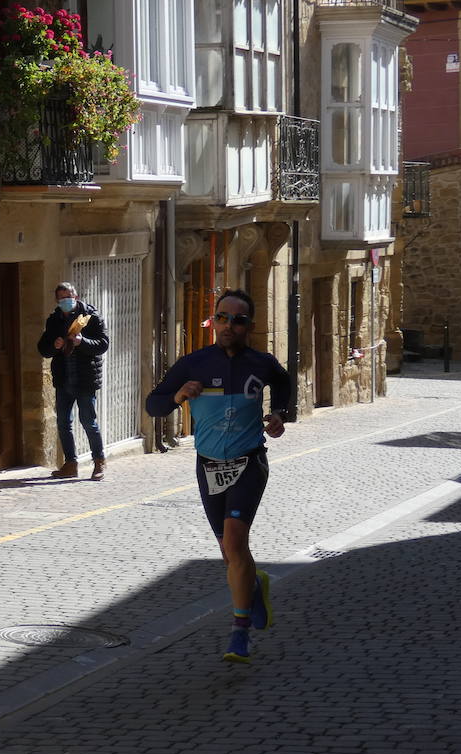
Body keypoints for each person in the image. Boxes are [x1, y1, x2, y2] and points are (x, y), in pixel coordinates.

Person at [145, 289, 292, 664]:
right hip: (208, 466)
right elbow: (154, 405)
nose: (229, 325)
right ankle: (254, 587)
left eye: (238, 320)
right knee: (230, 553)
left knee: (235, 539)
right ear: (213, 320)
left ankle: (239, 633)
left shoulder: (261, 363)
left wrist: (280, 414)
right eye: (222, 318)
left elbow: (284, 383)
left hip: (249, 463)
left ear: (250, 325)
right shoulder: (194, 363)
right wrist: (179, 394)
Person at [36, 282, 109, 481]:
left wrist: (81, 342)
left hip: (84, 380)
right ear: (57, 301)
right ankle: (70, 463)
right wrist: (54, 345)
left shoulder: (91, 317)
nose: (66, 301)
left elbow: (103, 344)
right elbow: (43, 349)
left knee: (88, 422)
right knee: (62, 423)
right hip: (63, 379)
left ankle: (99, 462)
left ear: (75, 297)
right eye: (61, 298)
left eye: (68, 296)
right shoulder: (54, 320)